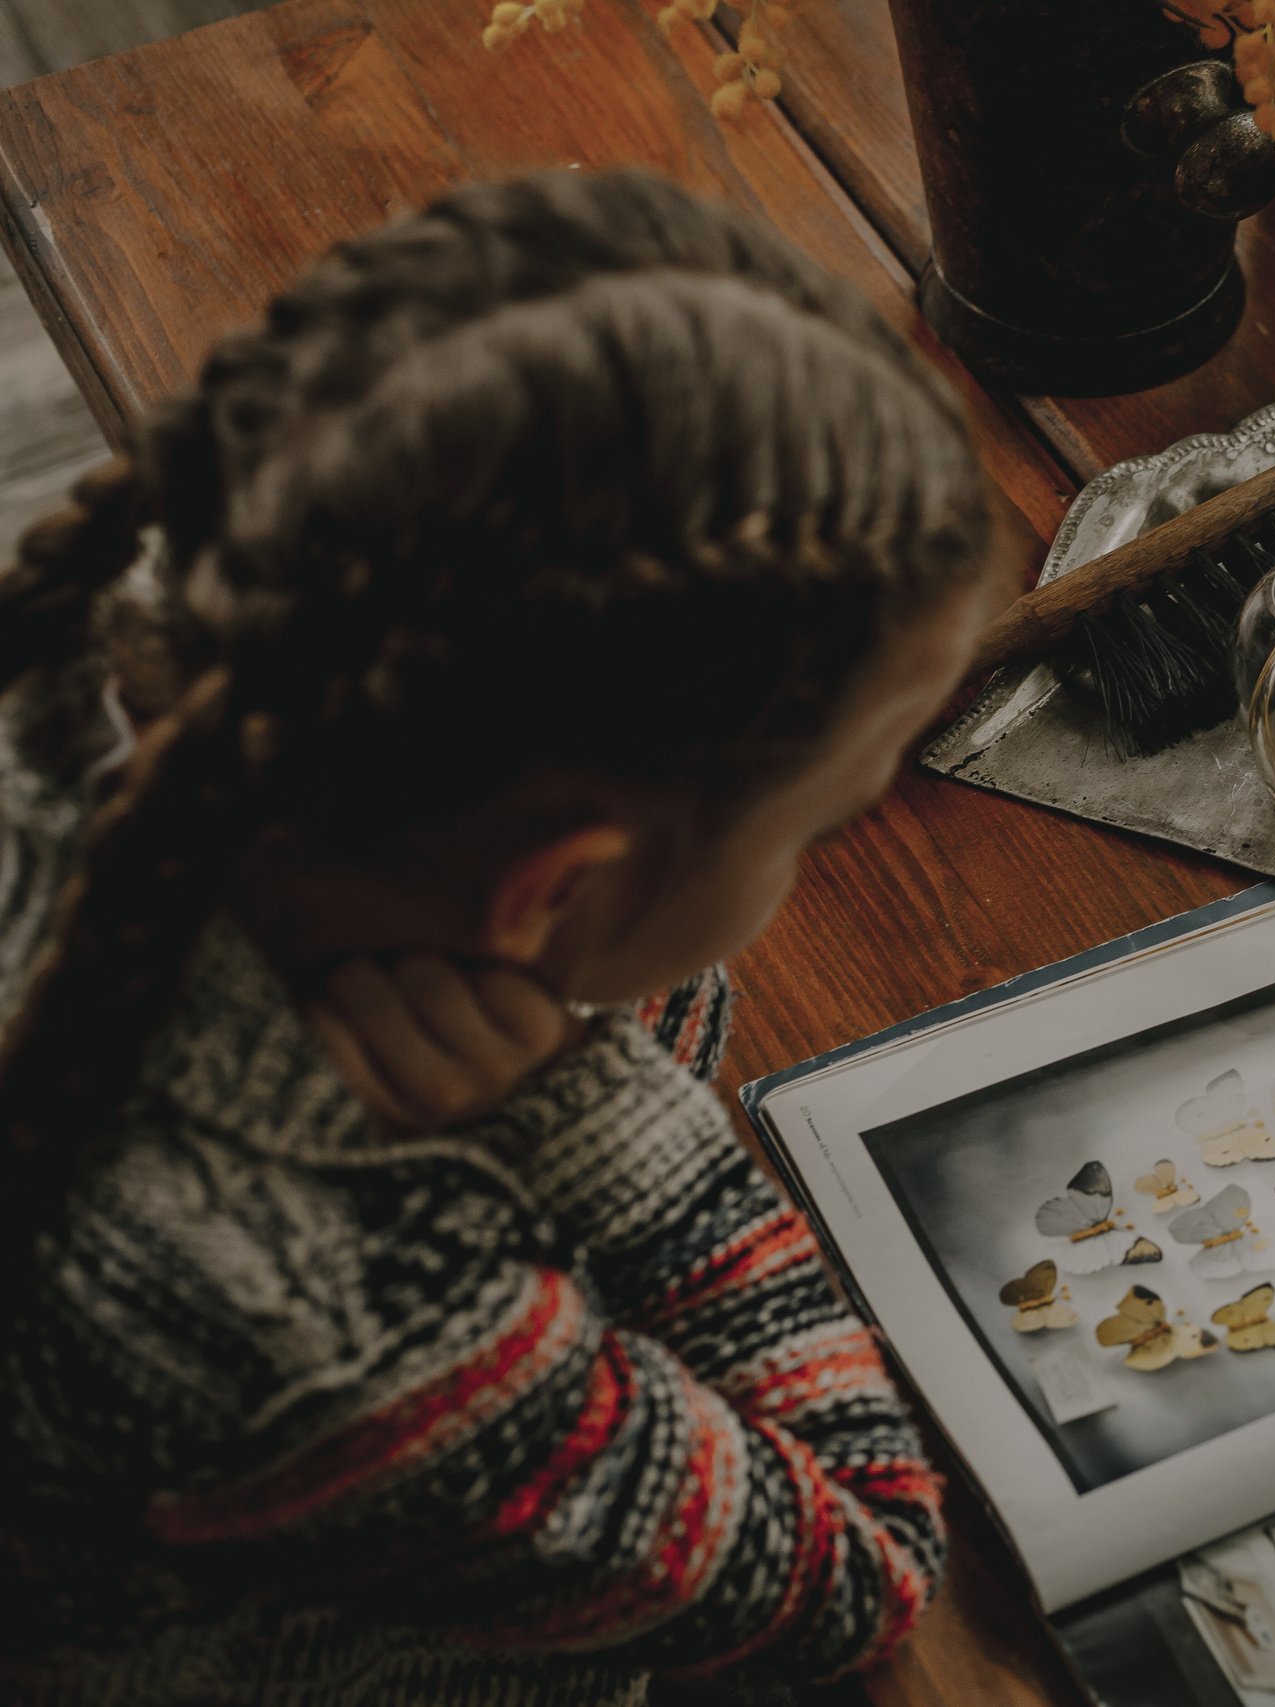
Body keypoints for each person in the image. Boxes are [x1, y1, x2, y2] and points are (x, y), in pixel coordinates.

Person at [0, 169, 1008, 1705]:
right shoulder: (346, 1340)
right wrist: (587, 1119)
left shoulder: (78, 696)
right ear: (545, 890)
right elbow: (853, 1568)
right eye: (809, 820)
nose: (803, 857)